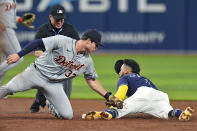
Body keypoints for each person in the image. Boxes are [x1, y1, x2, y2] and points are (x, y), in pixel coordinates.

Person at [0, 29, 123, 119]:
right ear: (88, 41)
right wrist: (19, 54)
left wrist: (108, 95)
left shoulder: (87, 61)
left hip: (54, 85)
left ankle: (51, 104)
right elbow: (38, 43)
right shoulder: (62, 41)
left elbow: (91, 80)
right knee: (9, 88)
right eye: (96, 44)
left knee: (67, 115)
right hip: (35, 73)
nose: (97, 47)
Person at [82, 59, 194, 121]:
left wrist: (114, 103)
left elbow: (121, 94)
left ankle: (102, 114)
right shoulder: (145, 79)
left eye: (121, 69)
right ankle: (181, 113)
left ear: (126, 71)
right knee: (167, 111)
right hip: (160, 95)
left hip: (142, 94)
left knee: (120, 109)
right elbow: (154, 95)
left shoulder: (125, 77)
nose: (119, 72)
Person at [30, 4, 80, 113]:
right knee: (45, 80)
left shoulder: (69, 29)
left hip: (65, 63)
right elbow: (38, 52)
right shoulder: (43, 30)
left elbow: (78, 47)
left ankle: (61, 105)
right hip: (47, 63)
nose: (59, 22)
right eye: (57, 19)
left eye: (61, 19)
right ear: (50, 17)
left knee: (67, 76)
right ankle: (39, 100)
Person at [0, 0, 23, 83]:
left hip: (6, 28)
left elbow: (8, 16)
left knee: (5, 59)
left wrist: (20, 19)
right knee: (18, 57)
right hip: (5, 29)